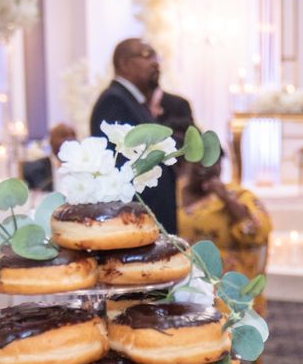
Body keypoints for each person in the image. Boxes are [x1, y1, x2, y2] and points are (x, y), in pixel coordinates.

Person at [88, 37, 177, 231]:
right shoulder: (114, 102)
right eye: (147, 55)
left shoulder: (131, 101)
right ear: (124, 64)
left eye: (157, 57)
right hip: (137, 221)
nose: (156, 62)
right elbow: (121, 169)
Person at [175, 157, 272, 292]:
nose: (204, 167)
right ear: (186, 165)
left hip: (225, 286)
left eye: (212, 161)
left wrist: (225, 198)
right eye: (197, 162)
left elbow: (257, 232)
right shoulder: (173, 193)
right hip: (178, 277)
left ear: (220, 165)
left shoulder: (238, 195)